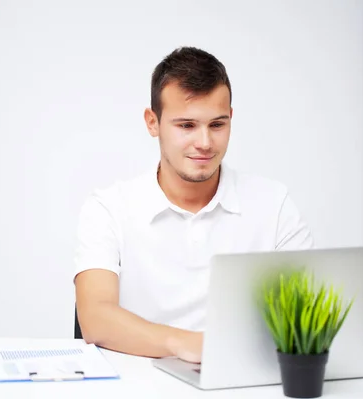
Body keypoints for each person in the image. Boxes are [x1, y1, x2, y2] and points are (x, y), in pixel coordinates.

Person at [72, 46, 313, 363]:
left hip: (240, 381)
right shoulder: (108, 208)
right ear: (152, 122)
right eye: (186, 125)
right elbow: (95, 320)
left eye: (217, 124)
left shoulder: (274, 204)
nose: (204, 143)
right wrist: (189, 345)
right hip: (136, 385)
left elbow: (305, 320)